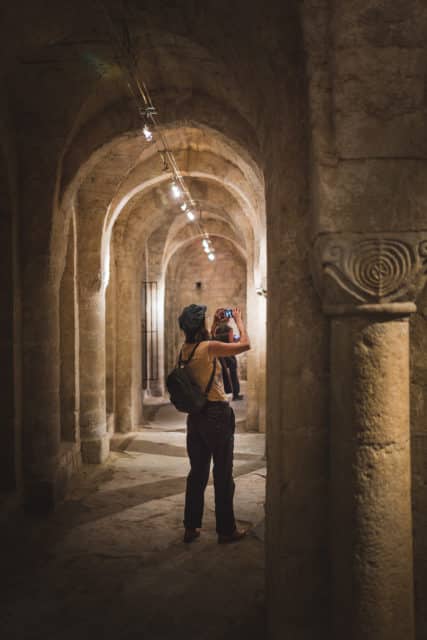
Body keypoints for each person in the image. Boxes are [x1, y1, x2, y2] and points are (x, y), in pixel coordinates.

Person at [178, 304, 251, 544]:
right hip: (217, 414)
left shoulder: (185, 350)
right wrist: (238, 321)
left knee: (197, 473)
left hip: (195, 417)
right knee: (222, 473)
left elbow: (204, 349)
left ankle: (191, 526)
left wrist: (213, 326)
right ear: (200, 325)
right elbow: (244, 345)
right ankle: (226, 530)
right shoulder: (209, 347)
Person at [213, 322, 244, 401]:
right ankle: (235, 395)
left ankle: (221, 395)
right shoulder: (230, 329)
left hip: (221, 354)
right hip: (229, 354)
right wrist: (236, 340)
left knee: (222, 376)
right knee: (233, 374)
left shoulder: (217, 329)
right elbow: (231, 343)